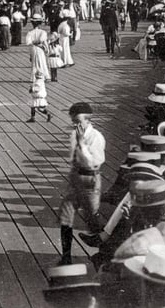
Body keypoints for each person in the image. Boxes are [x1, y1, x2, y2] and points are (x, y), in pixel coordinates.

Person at [57, 102, 106, 265]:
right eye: (73, 121)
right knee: (66, 214)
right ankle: (66, 256)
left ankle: (103, 255)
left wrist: (81, 144)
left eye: (79, 121)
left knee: (92, 216)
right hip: (76, 177)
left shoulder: (96, 137)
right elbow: (72, 157)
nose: (76, 125)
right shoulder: (74, 134)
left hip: (91, 179)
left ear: (88, 120)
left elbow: (94, 162)